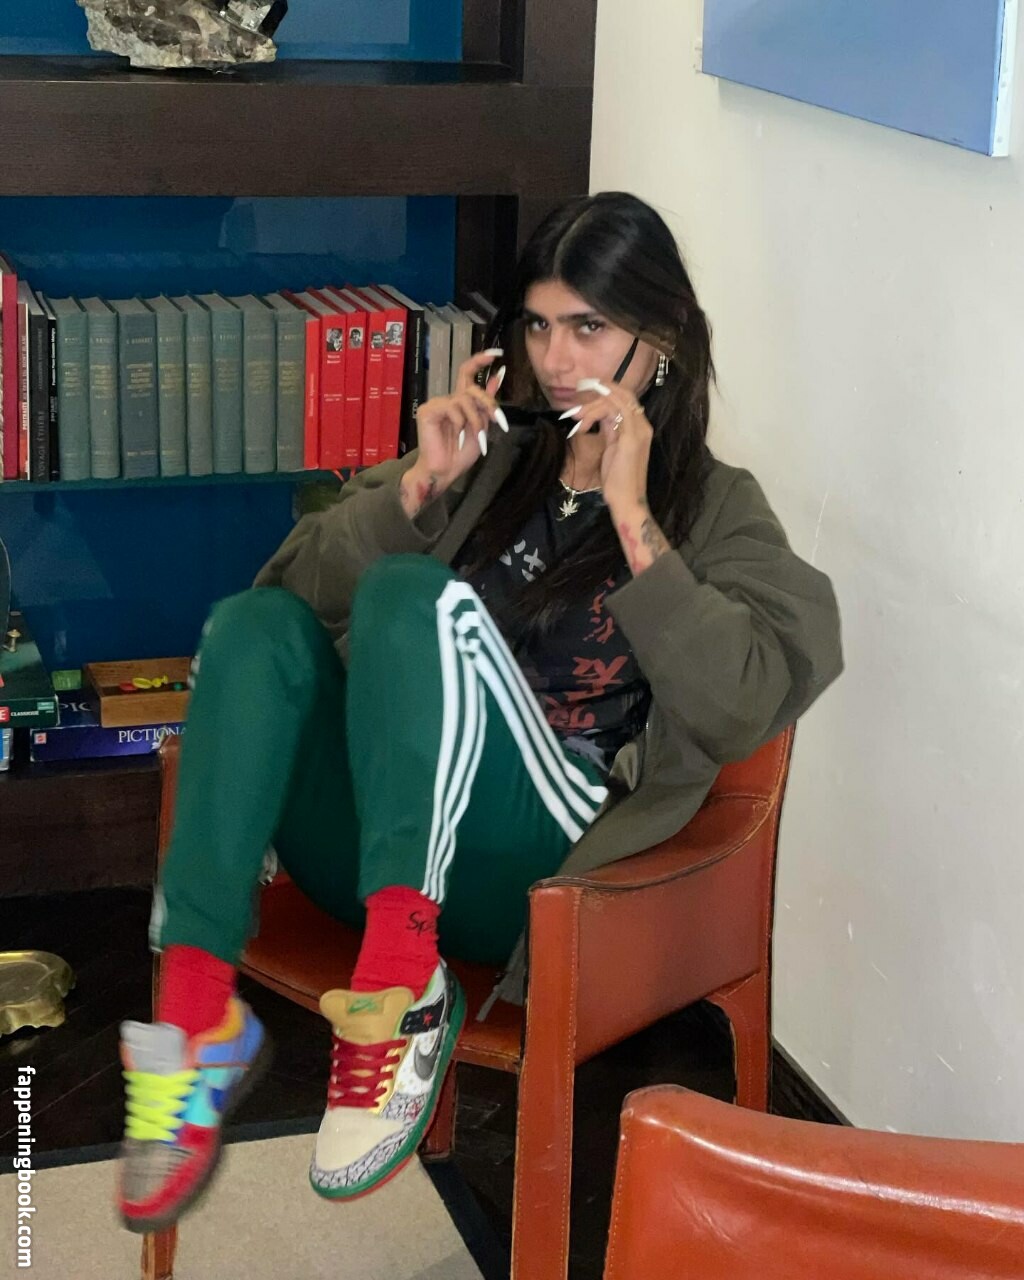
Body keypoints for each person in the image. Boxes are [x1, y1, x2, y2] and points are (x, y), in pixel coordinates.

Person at [116, 191, 843, 1233]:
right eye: (537, 326)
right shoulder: (495, 460)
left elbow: (743, 706)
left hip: (528, 868)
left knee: (415, 601)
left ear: (665, 339)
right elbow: (286, 598)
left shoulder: (716, 507)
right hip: (384, 851)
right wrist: (419, 486)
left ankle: (399, 992)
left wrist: (634, 518)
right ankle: (194, 1027)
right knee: (251, 626)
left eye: (588, 326)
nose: (556, 359)